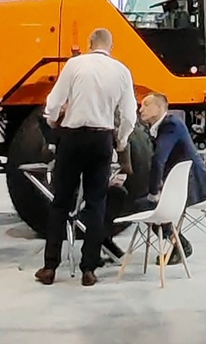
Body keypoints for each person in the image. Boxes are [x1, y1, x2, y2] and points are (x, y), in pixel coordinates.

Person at [35, 27, 136, 288]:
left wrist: (51, 121)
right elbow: (129, 115)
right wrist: (121, 140)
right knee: (96, 203)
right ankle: (89, 269)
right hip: (102, 138)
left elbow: (55, 100)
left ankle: (49, 266)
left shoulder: (75, 64)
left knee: (61, 203)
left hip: (72, 137)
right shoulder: (122, 71)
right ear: (111, 46)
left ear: (90, 43)